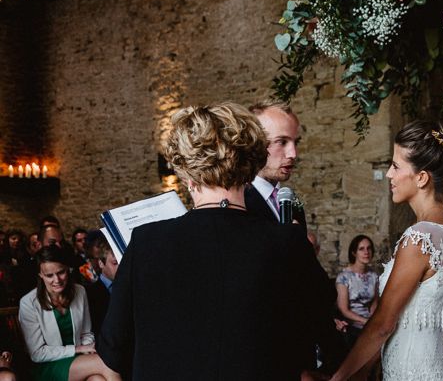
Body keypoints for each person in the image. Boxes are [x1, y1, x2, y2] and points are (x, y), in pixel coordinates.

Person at [98, 102, 340, 380]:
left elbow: (113, 350)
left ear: (186, 174)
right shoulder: (287, 241)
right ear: (251, 165)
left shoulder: (145, 242)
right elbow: (317, 324)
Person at [331, 112, 443, 381]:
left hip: (412, 373)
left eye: (396, 166)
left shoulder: (420, 237)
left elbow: (383, 324)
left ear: (421, 178)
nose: (389, 174)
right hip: (436, 368)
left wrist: (339, 378)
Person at [18, 246, 120, 381]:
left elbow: (86, 333)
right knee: (107, 364)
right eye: (49, 275)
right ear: (41, 275)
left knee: (97, 379)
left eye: (61, 272)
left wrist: (86, 350)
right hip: (47, 365)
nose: (57, 280)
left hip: (80, 360)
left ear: (68, 269)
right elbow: (37, 353)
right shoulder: (28, 302)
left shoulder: (80, 291)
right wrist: (77, 349)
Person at [245, 99, 307, 227]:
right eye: (282, 142)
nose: (293, 154)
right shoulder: (238, 202)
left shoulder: (291, 202)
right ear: (254, 143)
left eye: (296, 142)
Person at [336, 235, 378, 348]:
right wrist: (364, 321)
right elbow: (344, 310)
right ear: (354, 253)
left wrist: (373, 322)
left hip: (369, 323)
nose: (366, 252)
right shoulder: (344, 277)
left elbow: (374, 305)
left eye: (369, 248)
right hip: (351, 325)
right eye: (361, 249)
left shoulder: (373, 276)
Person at [85, 241, 117, 337]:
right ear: (101, 263)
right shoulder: (89, 293)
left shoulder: (130, 287)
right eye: (115, 263)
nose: (120, 267)